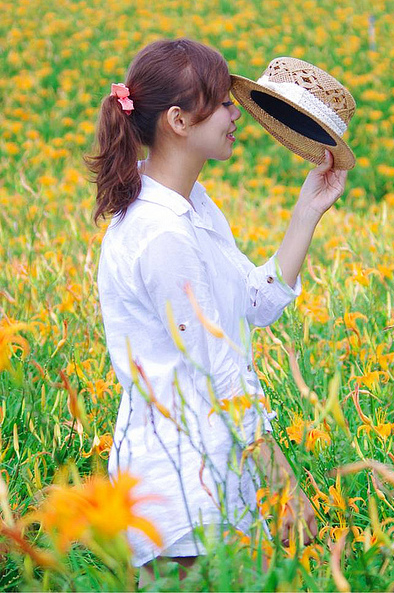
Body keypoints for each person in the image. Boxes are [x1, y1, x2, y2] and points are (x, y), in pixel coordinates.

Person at [86, 38, 348, 585]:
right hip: (179, 492)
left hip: (216, 470)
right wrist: (283, 485)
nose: (236, 115)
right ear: (179, 120)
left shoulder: (193, 206)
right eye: (222, 102)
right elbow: (219, 370)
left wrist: (308, 211)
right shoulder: (161, 232)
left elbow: (252, 304)